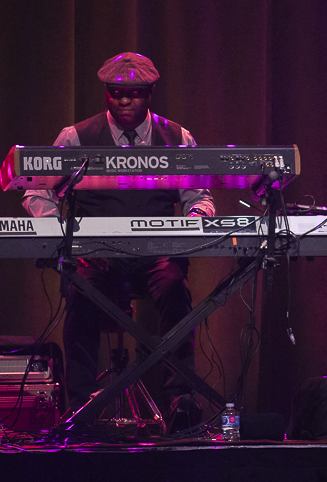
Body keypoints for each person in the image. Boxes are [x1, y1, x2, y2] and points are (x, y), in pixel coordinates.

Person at [22, 52, 215, 432]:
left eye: (135, 93)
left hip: (157, 254)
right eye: (116, 93)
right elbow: (36, 190)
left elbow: (199, 195)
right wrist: (58, 233)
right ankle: (80, 406)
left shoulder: (178, 138)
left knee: (174, 288)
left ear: (150, 93)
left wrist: (196, 218)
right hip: (99, 255)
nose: (125, 100)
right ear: (106, 93)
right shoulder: (76, 137)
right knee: (81, 290)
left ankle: (180, 398)